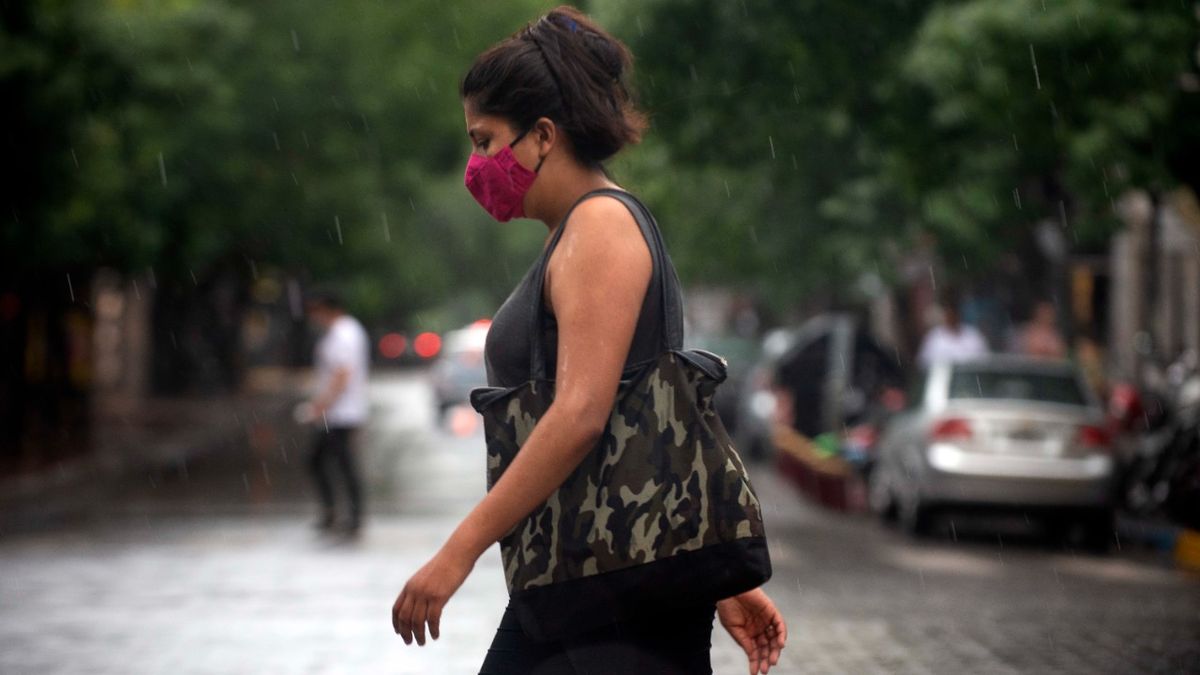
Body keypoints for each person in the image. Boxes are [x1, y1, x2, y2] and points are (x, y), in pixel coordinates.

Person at [390, 7, 787, 674]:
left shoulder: (599, 225)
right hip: (590, 579)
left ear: (542, 136)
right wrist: (717, 577)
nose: (477, 163)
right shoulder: (575, 231)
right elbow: (643, 417)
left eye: (485, 140)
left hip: (604, 594)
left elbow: (581, 415)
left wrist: (458, 550)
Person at [301, 287, 370, 535]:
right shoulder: (342, 331)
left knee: (332, 463)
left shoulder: (344, 334)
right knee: (330, 462)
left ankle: (347, 516)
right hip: (339, 412)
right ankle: (339, 514)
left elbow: (342, 374)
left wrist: (321, 405)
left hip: (342, 413)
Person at [916, 290, 989, 368]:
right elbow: (923, 365)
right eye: (949, 313)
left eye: (954, 313)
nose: (952, 316)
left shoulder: (973, 336)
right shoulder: (933, 339)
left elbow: (985, 363)